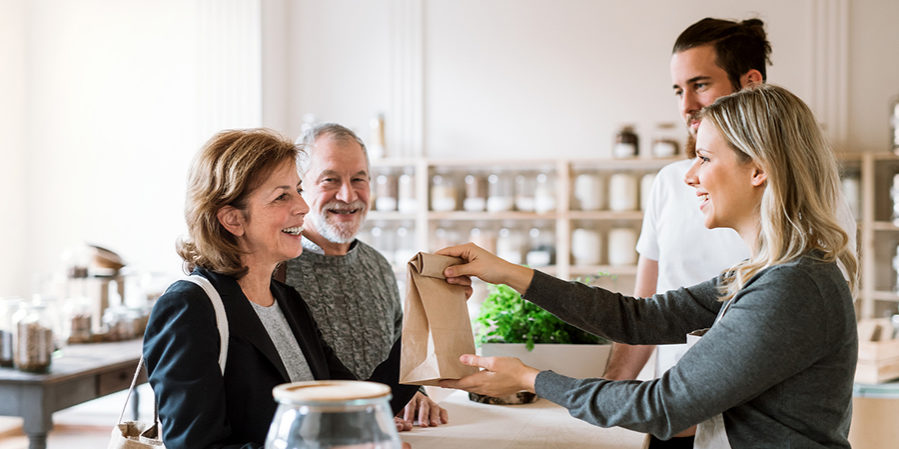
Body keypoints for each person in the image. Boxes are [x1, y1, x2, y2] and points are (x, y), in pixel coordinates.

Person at [438, 84, 858, 448]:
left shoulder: (791, 286)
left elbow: (662, 405)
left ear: (759, 170)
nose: (690, 176)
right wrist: (509, 272)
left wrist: (529, 378)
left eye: (705, 158)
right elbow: (639, 318)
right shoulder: (764, 272)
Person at [604, 18, 857, 448]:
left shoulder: (815, 209)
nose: (686, 105)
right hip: (662, 418)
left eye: (700, 85)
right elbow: (645, 312)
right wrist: (609, 401)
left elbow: (805, 331)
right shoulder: (671, 182)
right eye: (678, 90)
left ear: (751, 83)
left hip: (737, 429)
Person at [143, 128, 417, 449]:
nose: (302, 206)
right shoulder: (190, 306)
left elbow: (351, 398)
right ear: (233, 219)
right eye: (282, 196)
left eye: (298, 190)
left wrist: (428, 317)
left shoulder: (287, 301)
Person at [280, 122, 448, 429]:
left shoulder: (379, 265)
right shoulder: (277, 270)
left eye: (359, 179)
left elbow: (400, 347)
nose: (347, 195)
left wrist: (413, 394)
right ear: (299, 187)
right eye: (330, 180)